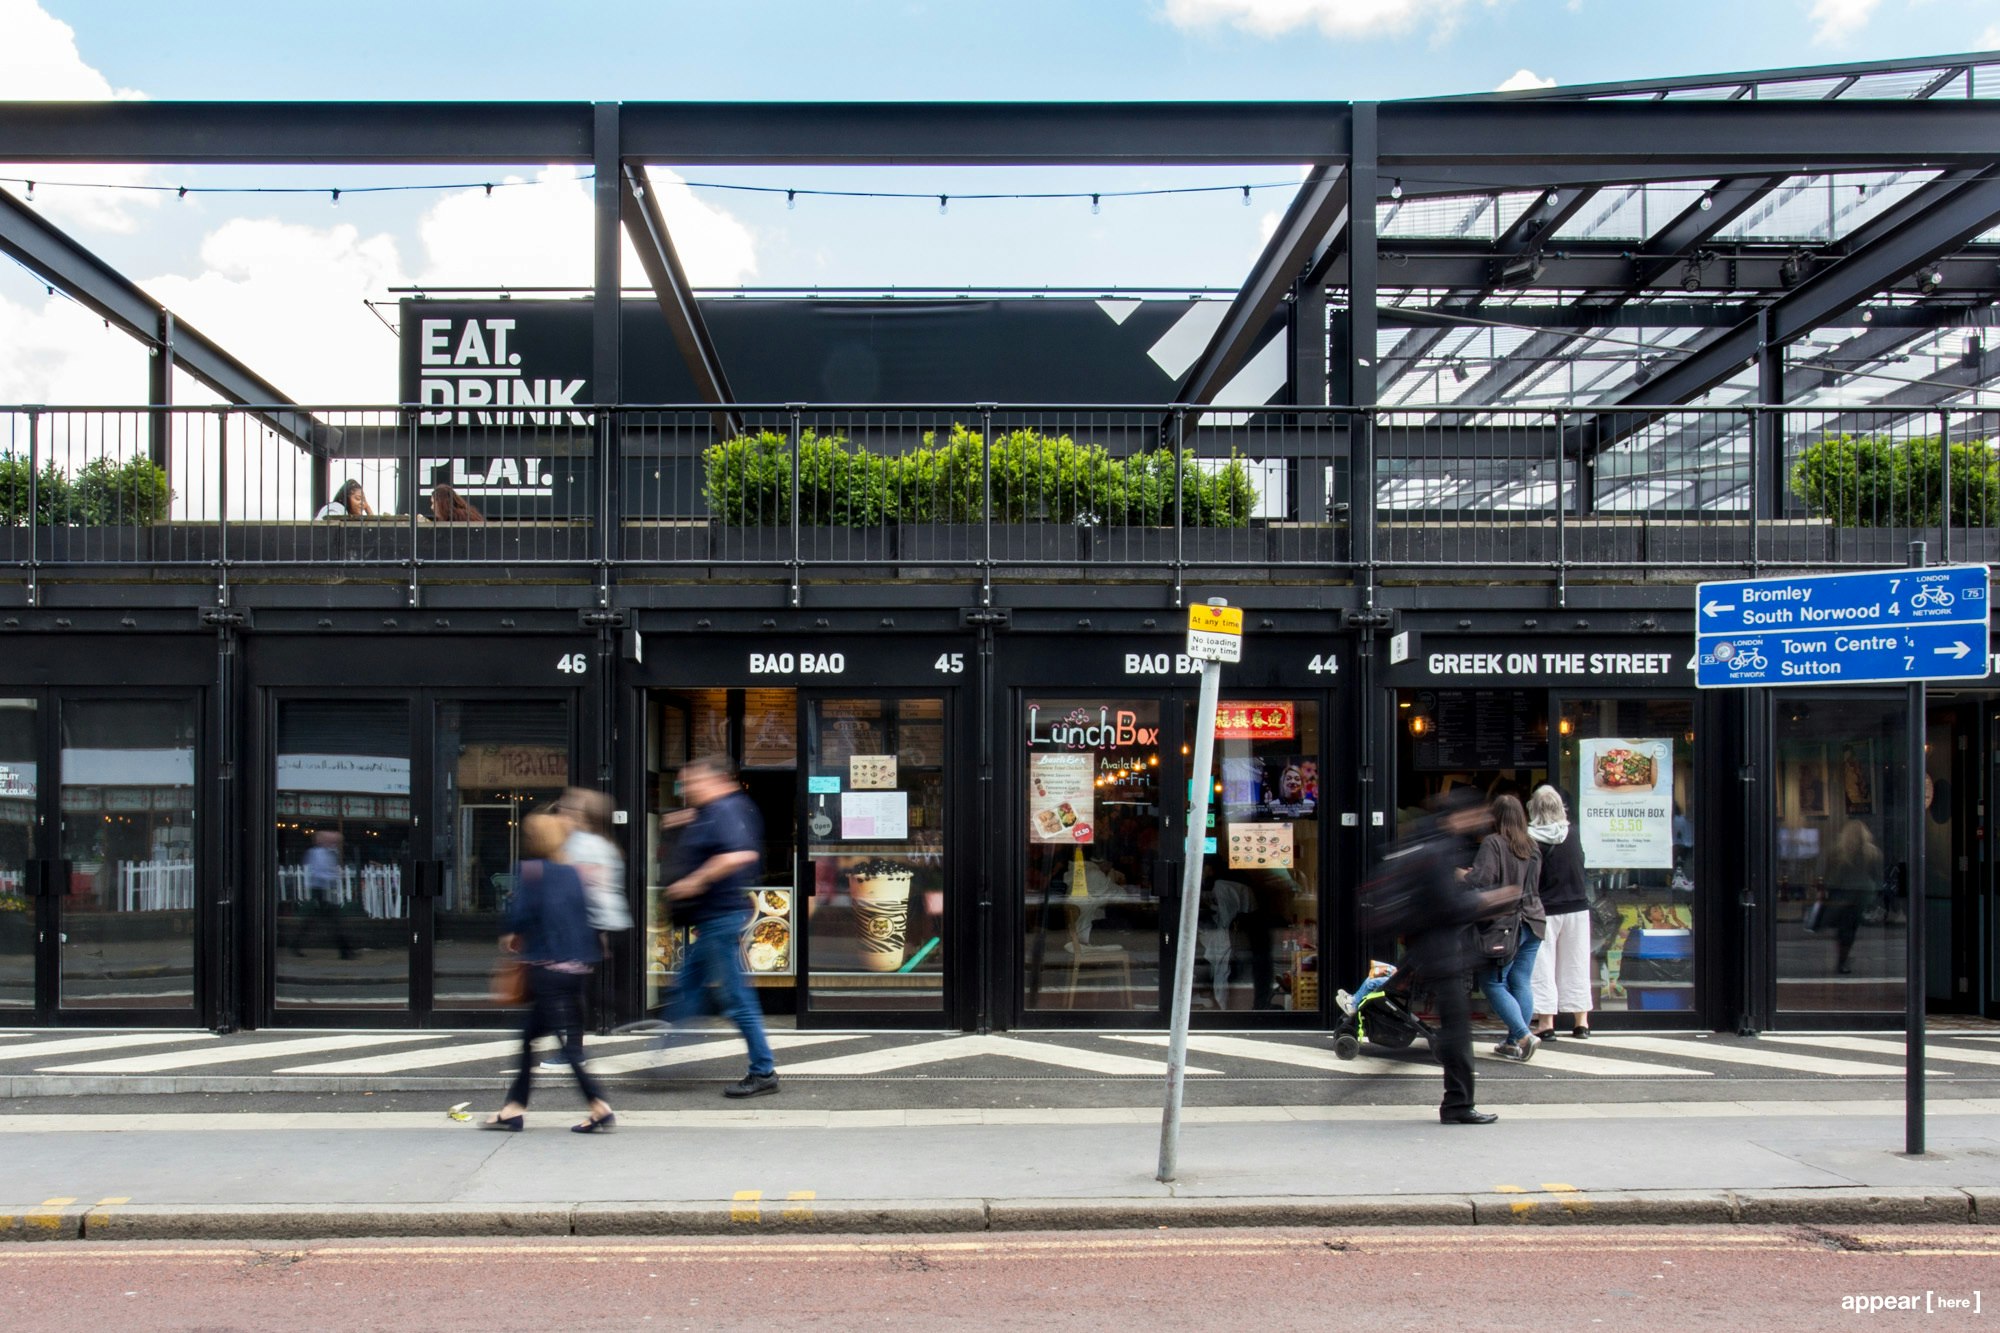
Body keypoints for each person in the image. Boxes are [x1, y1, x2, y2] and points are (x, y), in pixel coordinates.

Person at [1374, 790, 1517, 1124]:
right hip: (1440, 951)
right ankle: (1457, 1105)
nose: (1483, 819)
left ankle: (1457, 1102)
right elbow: (1446, 905)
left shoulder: (1430, 842)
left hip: (1429, 949)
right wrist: (1488, 901)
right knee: (1457, 1032)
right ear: (1461, 815)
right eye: (1478, 813)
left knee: (1455, 1029)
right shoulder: (1439, 849)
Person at [482, 812, 615, 1133]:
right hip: (577, 968)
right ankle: (513, 1108)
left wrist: (509, 934)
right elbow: (588, 916)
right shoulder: (573, 873)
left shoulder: (531, 871)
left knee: (562, 1045)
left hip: (547, 970)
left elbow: (520, 915)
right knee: (529, 1038)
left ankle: (598, 1105)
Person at [658, 754, 779, 1098]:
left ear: (715, 780)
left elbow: (738, 855)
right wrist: (683, 820)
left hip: (720, 919)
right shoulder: (712, 811)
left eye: (692, 782)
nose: (687, 789)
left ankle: (763, 1070)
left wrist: (693, 881)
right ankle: (663, 1056)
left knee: (735, 998)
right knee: (687, 988)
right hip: (710, 920)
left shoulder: (727, 809)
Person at [538, 788, 632, 1070]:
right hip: (599, 926)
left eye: (568, 808)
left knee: (569, 991)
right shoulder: (600, 843)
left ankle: (574, 1051)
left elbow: (577, 890)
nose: (562, 812)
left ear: (581, 815)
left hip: (586, 926)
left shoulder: (582, 845)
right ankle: (575, 1048)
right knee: (579, 990)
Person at [1468, 793, 1544, 1062]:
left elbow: (1481, 880)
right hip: (1534, 921)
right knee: (1520, 981)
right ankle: (1513, 1042)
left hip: (1505, 925)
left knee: (1492, 983)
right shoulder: (1532, 846)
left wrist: (1462, 875)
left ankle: (1523, 1035)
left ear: (1496, 817)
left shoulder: (1494, 843)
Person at [1526, 784, 1591, 1041]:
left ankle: (1546, 1023)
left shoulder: (1530, 838)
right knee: (1576, 963)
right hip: (1577, 907)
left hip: (1546, 908)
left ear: (1534, 808)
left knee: (1543, 965)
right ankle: (1581, 1022)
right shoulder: (1573, 834)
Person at [1826, 819, 1882, 976]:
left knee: (1842, 928)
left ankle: (1842, 958)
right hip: (1862, 894)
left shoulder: (1837, 851)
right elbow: (1877, 876)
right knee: (1851, 928)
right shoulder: (1872, 852)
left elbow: (1829, 874)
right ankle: (1843, 958)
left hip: (1841, 893)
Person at [292, 829, 354, 959]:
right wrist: (334, 875)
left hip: (323, 891)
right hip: (320, 890)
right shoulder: (317, 853)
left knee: (317, 921)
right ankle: (345, 951)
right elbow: (319, 872)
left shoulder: (328, 852)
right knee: (333, 922)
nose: (334, 844)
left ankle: (345, 951)